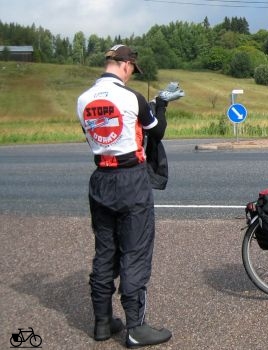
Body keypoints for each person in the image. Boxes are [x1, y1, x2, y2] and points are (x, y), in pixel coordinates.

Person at [76, 44, 182, 347]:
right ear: (125, 65)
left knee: (105, 251)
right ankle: (135, 327)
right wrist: (160, 103)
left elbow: (98, 133)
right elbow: (156, 131)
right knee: (135, 252)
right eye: (133, 69)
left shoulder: (83, 100)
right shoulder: (131, 97)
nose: (132, 74)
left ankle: (102, 322)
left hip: (100, 179)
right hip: (131, 179)